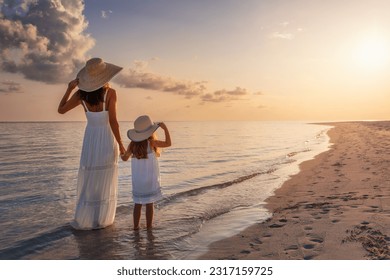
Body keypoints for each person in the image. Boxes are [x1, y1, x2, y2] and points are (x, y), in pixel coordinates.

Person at [58, 57, 126, 230]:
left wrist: (69, 89)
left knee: (90, 177)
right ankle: (102, 220)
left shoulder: (81, 94)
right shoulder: (110, 93)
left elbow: (61, 110)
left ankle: (87, 219)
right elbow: (113, 122)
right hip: (106, 138)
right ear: (104, 76)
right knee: (105, 176)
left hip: (91, 139)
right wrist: (122, 145)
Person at [121, 115, 172, 230]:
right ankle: (149, 227)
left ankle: (135, 228)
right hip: (150, 178)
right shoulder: (152, 143)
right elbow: (168, 143)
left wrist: (121, 152)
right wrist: (165, 129)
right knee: (150, 204)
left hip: (138, 180)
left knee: (137, 204)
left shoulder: (132, 145)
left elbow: (124, 158)